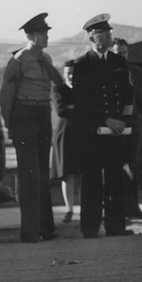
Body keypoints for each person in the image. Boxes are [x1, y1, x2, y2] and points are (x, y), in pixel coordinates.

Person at [0, 13, 63, 243]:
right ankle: (30, 232)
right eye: (42, 33)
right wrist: (10, 123)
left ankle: (46, 228)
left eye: (46, 32)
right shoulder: (19, 60)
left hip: (43, 114)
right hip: (24, 116)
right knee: (29, 175)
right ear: (30, 36)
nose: (46, 36)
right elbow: (6, 95)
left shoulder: (46, 58)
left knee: (43, 174)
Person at [72, 14, 135, 239]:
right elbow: (83, 102)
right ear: (91, 36)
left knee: (115, 179)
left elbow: (128, 95)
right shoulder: (81, 65)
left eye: (109, 33)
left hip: (116, 131)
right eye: (103, 34)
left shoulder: (119, 62)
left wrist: (124, 121)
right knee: (92, 180)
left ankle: (115, 226)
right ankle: (90, 227)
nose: (108, 37)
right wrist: (106, 120)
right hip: (93, 131)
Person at [111, 38, 142, 219]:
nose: (122, 56)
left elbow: (141, 100)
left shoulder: (136, 72)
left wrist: (138, 120)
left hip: (133, 124)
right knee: (115, 166)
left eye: (125, 53)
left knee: (131, 165)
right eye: (119, 53)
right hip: (114, 125)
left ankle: (133, 208)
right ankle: (116, 209)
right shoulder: (108, 71)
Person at [50, 59, 81, 223]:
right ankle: (69, 209)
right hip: (65, 135)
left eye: (73, 73)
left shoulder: (83, 89)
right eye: (68, 73)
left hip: (82, 134)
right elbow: (61, 110)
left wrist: (74, 107)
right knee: (67, 174)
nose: (70, 76)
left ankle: (85, 209)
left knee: (83, 173)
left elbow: (87, 108)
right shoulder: (58, 89)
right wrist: (77, 108)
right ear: (63, 74)